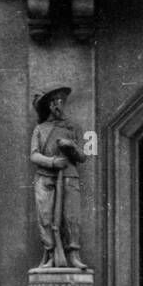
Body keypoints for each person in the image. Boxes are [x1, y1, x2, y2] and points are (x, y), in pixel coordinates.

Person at [31, 85, 87, 269]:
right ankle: (49, 255)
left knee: (71, 217)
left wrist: (70, 146)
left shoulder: (73, 127)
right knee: (46, 218)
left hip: (69, 177)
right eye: (54, 101)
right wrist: (53, 162)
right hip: (45, 178)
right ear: (48, 105)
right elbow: (34, 155)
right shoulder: (40, 129)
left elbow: (82, 156)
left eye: (61, 100)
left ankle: (73, 255)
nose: (58, 104)